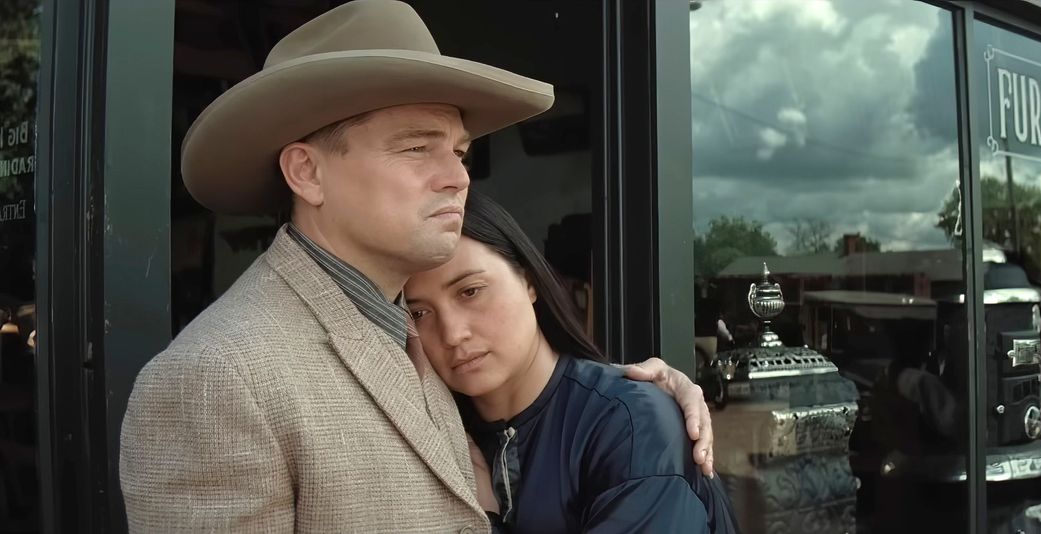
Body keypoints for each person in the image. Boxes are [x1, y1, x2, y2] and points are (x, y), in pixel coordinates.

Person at [118, 1, 713, 532]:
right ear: (307, 172)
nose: (457, 177)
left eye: (457, 152)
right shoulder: (214, 379)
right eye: (415, 146)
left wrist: (640, 403)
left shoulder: (414, 335)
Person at [405, 193, 738, 532]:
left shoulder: (630, 423)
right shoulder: (433, 437)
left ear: (529, 281)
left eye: (470, 291)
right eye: (419, 312)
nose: (452, 333)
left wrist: (485, 523)